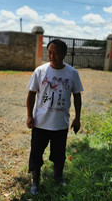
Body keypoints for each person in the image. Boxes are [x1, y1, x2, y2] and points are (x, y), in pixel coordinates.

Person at [26, 39, 83, 195]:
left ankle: (58, 177)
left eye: (55, 52)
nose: (51, 56)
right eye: (49, 52)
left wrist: (77, 118)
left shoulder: (72, 73)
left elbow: (77, 96)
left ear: (64, 54)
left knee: (59, 155)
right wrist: (29, 116)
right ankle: (35, 181)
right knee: (36, 154)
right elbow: (31, 95)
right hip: (40, 123)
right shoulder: (40, 71)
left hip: (60, 124)